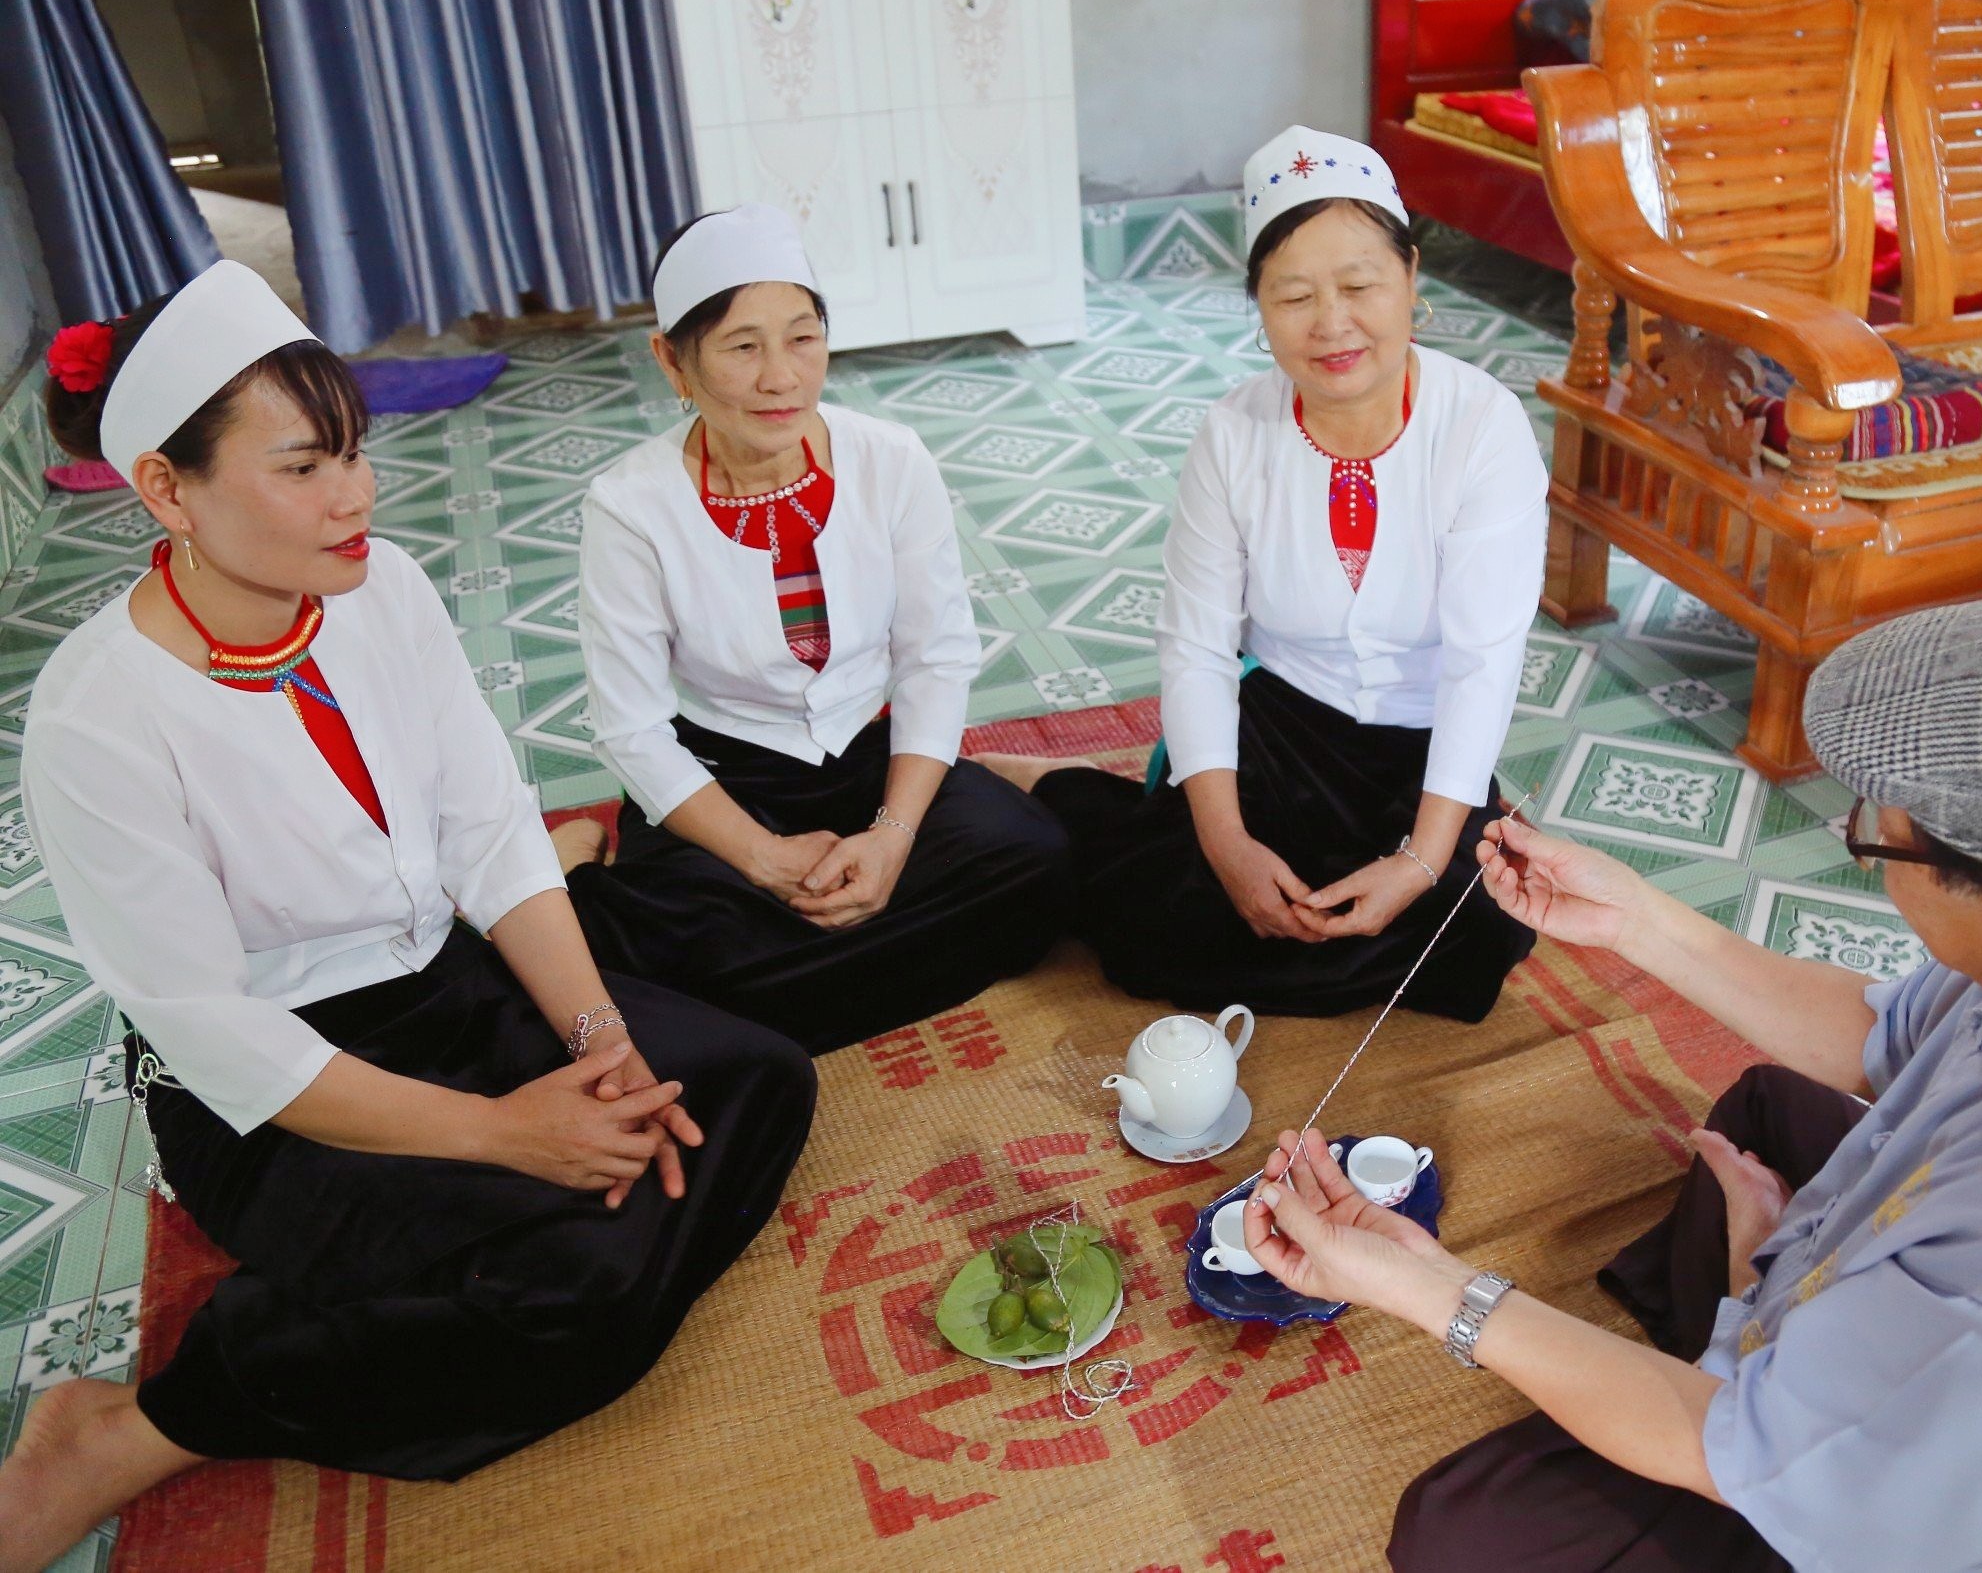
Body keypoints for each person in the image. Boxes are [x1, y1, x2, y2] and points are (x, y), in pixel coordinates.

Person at [1238, 585, 1982, 1572]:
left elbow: (1733, 1445)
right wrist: (1637, 919)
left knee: (1463, 1532)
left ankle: (1765, 1331)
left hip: (1951, 1517)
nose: (1869, 848)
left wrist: (1422, 1284)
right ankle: (1773, 1311)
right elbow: (1880, 1035)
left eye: (1879, 842)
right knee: (1765, 1108)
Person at [0, 262, 816, 1572]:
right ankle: (137, 1426)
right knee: (577, 1281)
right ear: (167, 488)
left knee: (755, 1081)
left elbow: (490, 833)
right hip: (270, 1084)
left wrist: (598, 1040)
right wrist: (507, 1130)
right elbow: (214, 1028)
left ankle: (410, 1284)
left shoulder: (387, 593)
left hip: (441, 982)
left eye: (358, 453)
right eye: (305, 467)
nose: (357, 495)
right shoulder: (97, 718)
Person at [979, 128, 1547, 1024]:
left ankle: (1401, 880)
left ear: (1411, 277)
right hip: (1286, 723)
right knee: (1159, 922)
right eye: (1293, 295)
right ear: (1259, 308)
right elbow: (1197, 646)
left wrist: (1421, 859)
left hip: (1423, 740)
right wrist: (1227, 842)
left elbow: (1484, 662)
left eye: (1360, 285)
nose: (1332, 323)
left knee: (1472, 938)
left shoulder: (1482, 426)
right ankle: (1059, 786)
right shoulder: (1234, 433)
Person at [562, 205, 1072, 1054]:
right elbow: (632, 728)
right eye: (741, 347)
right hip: (725, 779)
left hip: (867, 759)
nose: (781, 378)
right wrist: (765, 858)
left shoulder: (891, 458)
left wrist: (892, 839)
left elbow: (935, 658)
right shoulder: (630, 506)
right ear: (672, 361)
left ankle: (815, 963)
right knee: (674, 957)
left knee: (1036, 862)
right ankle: (583, 858)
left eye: (803, 338)